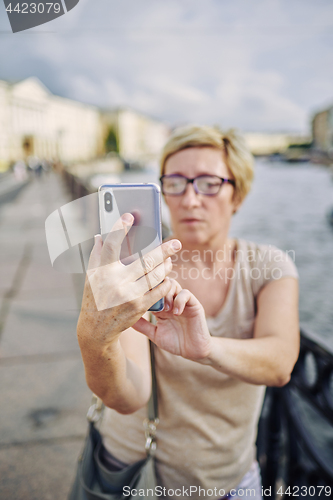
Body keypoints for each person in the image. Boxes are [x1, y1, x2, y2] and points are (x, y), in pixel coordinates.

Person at [77, 125, 299, 500]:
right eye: (176, 182)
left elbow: (279, 364)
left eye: (209, 183)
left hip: (229, 481)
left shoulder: (268, 265)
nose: (190, 199)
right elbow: (128, 395)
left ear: (237, 194)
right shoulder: (140, 269)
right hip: (136, 476)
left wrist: (207, 348)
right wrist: (94, 337)